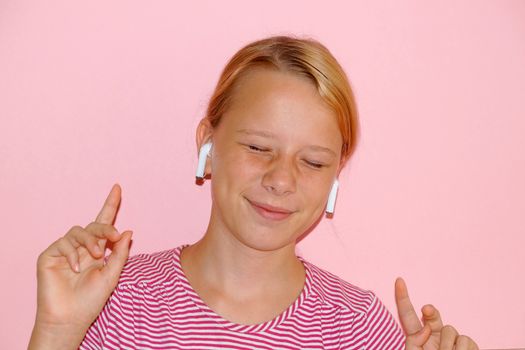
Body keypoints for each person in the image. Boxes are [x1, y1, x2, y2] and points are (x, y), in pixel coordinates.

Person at [28, 35, 479, 349]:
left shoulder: (355, 328)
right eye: (259, 147)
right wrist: (55, 332)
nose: (281, 179)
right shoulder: (116, 302)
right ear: (208, 141)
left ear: (337, 172)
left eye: (313, 161)